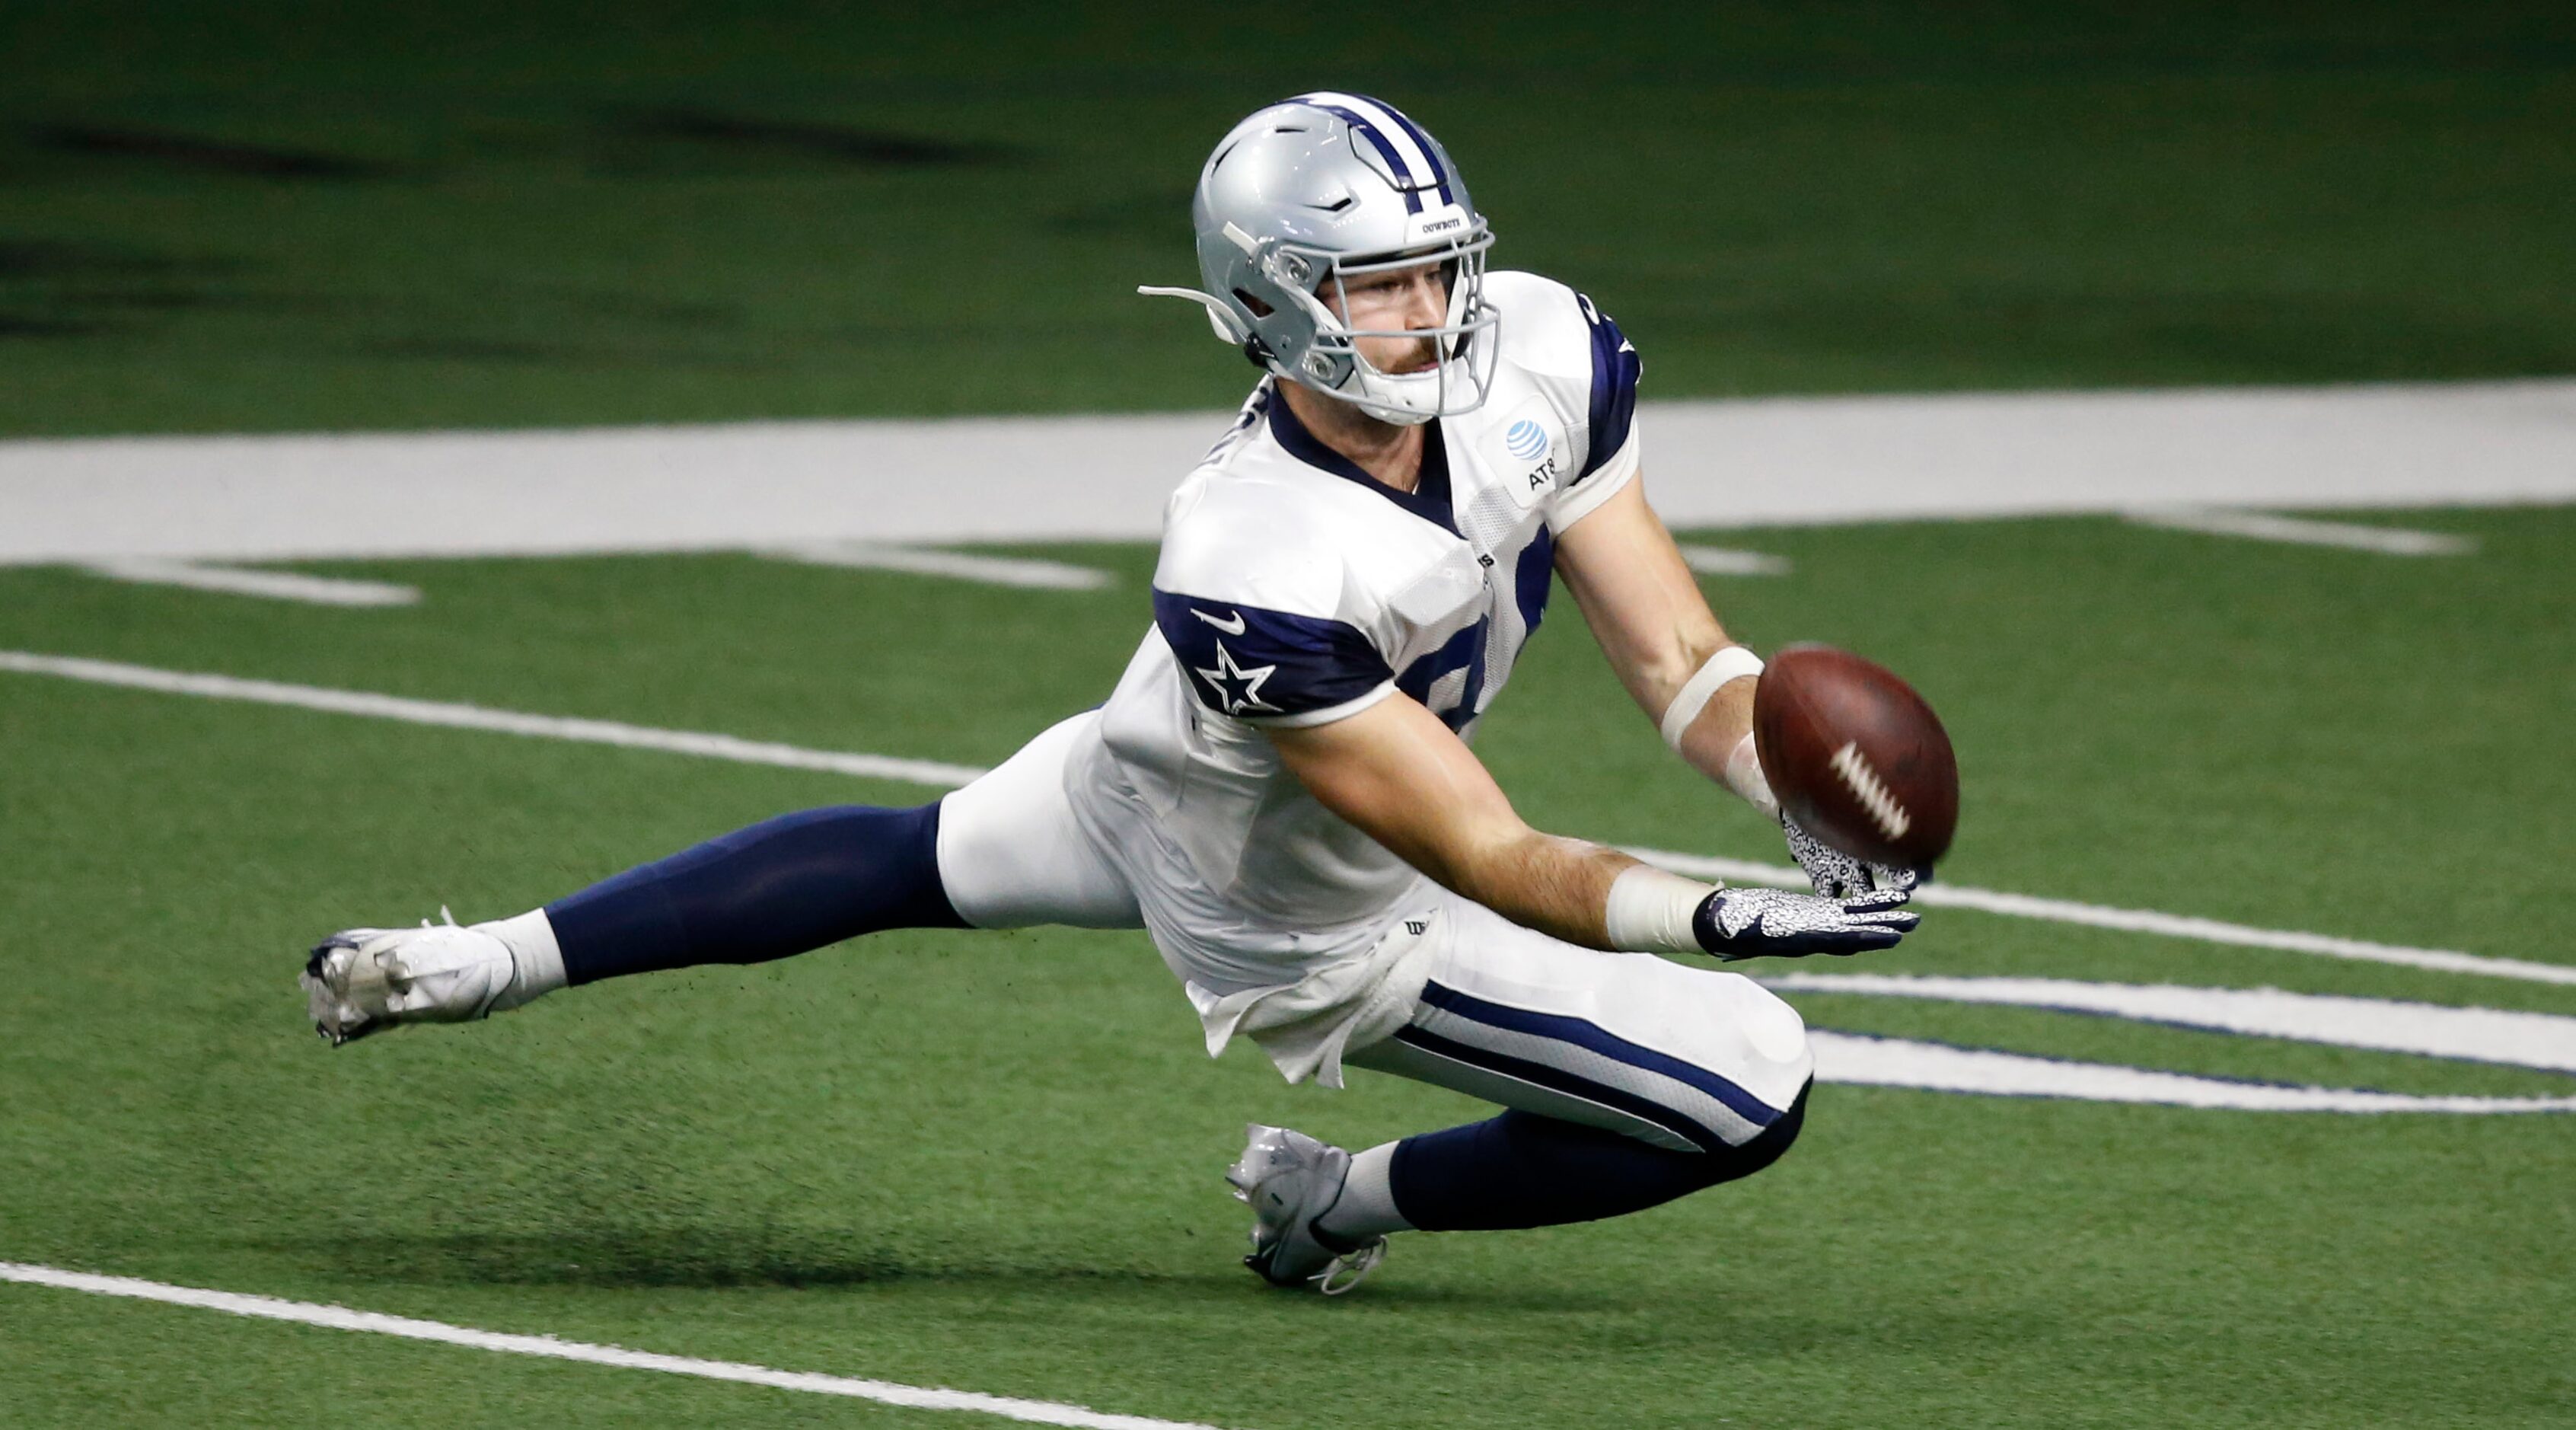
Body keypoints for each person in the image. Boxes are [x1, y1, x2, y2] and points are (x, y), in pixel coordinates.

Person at [301, 91, 1921, 1294]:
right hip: (1296, 899)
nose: (1427, 315)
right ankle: (1332, 1203)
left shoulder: (1547, 354)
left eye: (1436, 272)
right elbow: (1484, 855)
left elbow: (1686, 665)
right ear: (1274, 300)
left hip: (1138, 755)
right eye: (1375, 287)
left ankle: (482, 962)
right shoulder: (1251, 541)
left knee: (899, 855)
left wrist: (1791, 789)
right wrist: (1704, 918)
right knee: (1749, 1090)